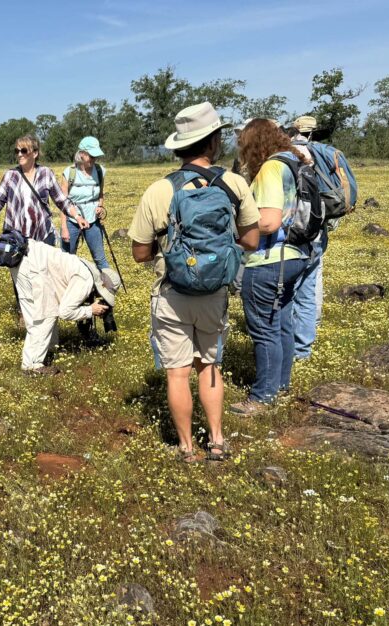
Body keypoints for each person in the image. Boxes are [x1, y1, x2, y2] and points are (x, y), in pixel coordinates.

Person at [129, 103, 260, 462]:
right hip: (216, 292)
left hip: (173, 293)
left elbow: (140, 253)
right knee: (211, 367)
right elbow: (251, 241)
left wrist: (169, 247)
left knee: (177, 373)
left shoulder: (159, 190)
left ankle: (187, 448)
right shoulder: (234, 184)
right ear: (213, 142)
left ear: (178, 146)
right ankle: (216, 441)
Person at [229, 119, 312, 415]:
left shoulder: (269, 169)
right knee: (283, 323)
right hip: (295, 255)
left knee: (264, 329)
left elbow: (268, 221)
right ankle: (282, 385)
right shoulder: (293, 162)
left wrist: (235, 231)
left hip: (268, 260)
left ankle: (262, 397)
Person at [13, 239, 121, 375]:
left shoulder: (87, 268)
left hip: (23, 258)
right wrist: (90, 310)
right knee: (47, 314)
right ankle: (33, 366)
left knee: (36, 317)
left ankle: (42, 354)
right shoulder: (85, 280)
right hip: (33, 266)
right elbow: (64, 312)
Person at [0, 134, 87, 245]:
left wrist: (77, 217)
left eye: (23, 151)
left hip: (42, 236)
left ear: (35, 153)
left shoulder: (46, 173)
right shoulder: (10, 175)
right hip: (16, 239)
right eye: (17, 151)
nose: (19, 154)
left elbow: (62, 200)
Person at [287, 115, 326, 360]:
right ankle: (305, 348)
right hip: (320, 226)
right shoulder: (325, 153)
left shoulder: (293, 153)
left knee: (292, 289)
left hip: (299, 229)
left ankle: (294, 344)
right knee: (312, 282)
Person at [59, 136, 110, 271]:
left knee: (100, 259)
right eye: (91, 156)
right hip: (71, 220)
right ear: (82, 154)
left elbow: (100, 194)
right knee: (66, 260)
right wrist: (64, 227)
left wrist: (100, 206)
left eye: (96, 156)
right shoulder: (69, 173)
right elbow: (62, 202)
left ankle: (109, 287)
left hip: (93, 220)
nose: (94, 159)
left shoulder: (99, 171)